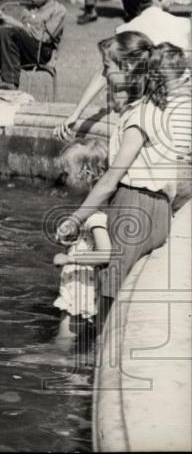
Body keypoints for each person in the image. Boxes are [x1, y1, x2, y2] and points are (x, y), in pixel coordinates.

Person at [56, 34, 190, 303]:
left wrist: (75, 219)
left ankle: (96, 343)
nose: (104, 73)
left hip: (136, 206)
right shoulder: (152, 108)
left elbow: (109, 181)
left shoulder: (138, 117)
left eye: (107, 67)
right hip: (156, 208)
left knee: (110, 287)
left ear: (127, 69)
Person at [55, 0, 190, 141]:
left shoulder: (124, 30)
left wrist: (76, 113)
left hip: (141, 113)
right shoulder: (183, 24)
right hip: (177, 109)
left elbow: (104, 73)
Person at [52, 138, 112, 343]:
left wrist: (69, 259)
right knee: (80, 338)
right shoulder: (93, 210)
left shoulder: (95, 215)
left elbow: (105, 254)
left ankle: (58, 361)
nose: (63, 178)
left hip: (81, 286)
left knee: (65, 338)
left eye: (67, 173)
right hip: (83, 281)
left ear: (86, 175)